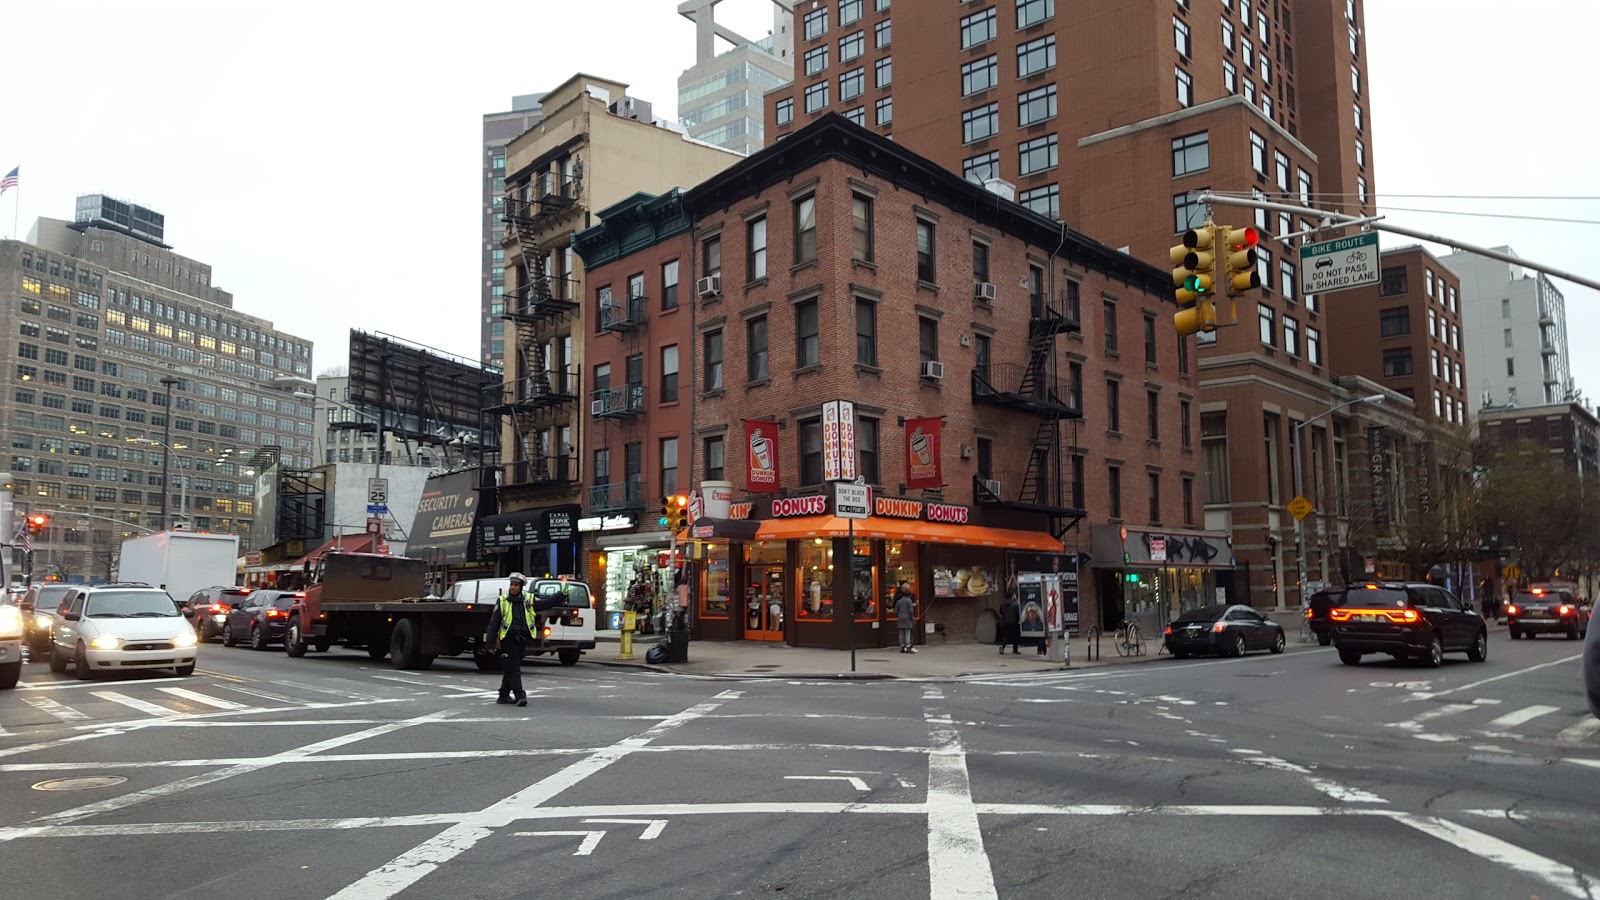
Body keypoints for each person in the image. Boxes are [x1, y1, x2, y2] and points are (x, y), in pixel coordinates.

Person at [485, 572, 535, 706]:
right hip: (507, 639)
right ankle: (520, 695)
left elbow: (544, 604)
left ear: (520, 587)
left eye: (516, 585)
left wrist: (560, 596)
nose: (513, 587)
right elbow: (494, 622)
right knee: (514, 668)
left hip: (521, 639)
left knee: (510, 668)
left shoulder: (527, 600)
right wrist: (490, 643)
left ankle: (503, 695)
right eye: (511, 584)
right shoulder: (502, 601)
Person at [895, 582, 917, 654]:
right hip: (907, 618)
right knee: (907, 633)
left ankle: (902, 646)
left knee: (901, 633)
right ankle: (908, 646)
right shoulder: (909, 601)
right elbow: (911, 611)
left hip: (900, 618)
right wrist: (912, 618)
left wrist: (898, 616)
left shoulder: (899, 601)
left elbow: (896, 610)